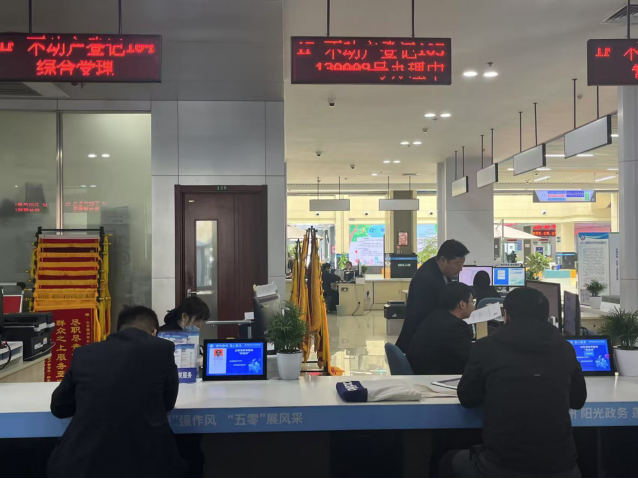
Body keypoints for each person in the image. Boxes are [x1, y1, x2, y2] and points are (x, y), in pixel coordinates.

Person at [443, 287, 587, 478]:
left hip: (501, 467)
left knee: (446, 460)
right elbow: (577, 400)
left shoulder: (486, 347)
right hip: (562, 468)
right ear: (546, 316)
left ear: (506, 316)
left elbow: (468, 398)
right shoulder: (565, 348)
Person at [48, 306, 186, 478]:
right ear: (154, 332)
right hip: (147, 464)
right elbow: (168, 403)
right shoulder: (163, 349)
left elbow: (59, 407)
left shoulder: (84, 354)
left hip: (83, 465)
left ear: (118, 329)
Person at [396, 239, 469, 353]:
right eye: (457, 263)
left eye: (462, 264)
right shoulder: (427, 279)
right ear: (443, 260)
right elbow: (436, 314)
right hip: (420, 344)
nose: (460, 268)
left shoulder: (438, 269)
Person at [406, 282, 474, 375]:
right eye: (472, 301)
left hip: (421, 369)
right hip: (432, 377)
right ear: (462, 304)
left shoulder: (434, 315)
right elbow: (472, 357)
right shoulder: (455, 327)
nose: (473, 306)